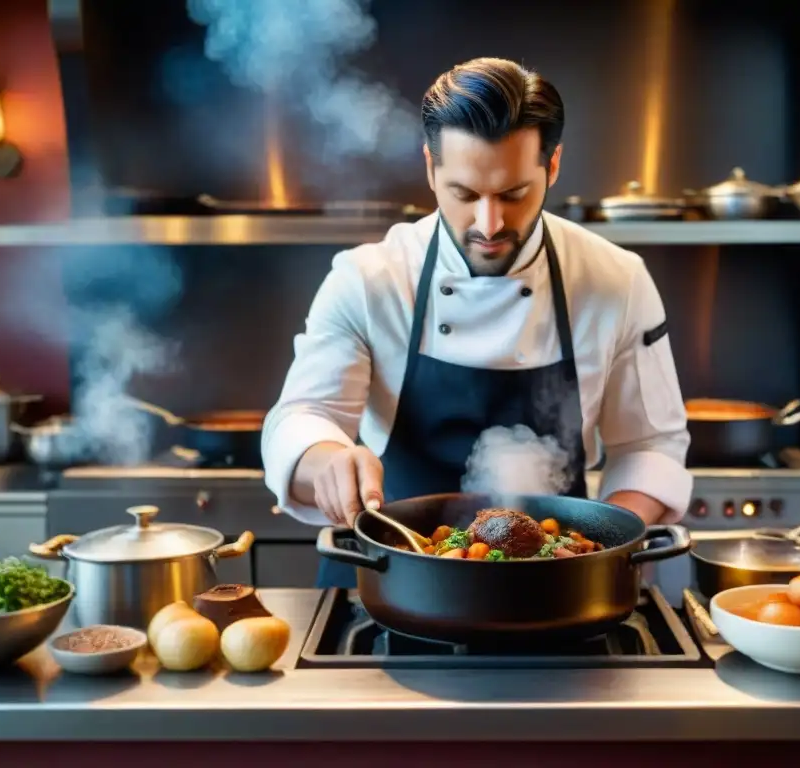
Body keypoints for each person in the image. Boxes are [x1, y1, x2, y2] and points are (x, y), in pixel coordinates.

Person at [262, 57, 693, 588]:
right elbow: (302, 416)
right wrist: (325, 460)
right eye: (464, 195)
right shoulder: (368, 279)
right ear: (431, 168)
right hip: (393, 575)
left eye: (514, 194)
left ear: (552, 167)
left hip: (557, 591)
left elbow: (650, 445)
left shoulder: (616, 280)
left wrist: (594, 548)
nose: (489, 225)